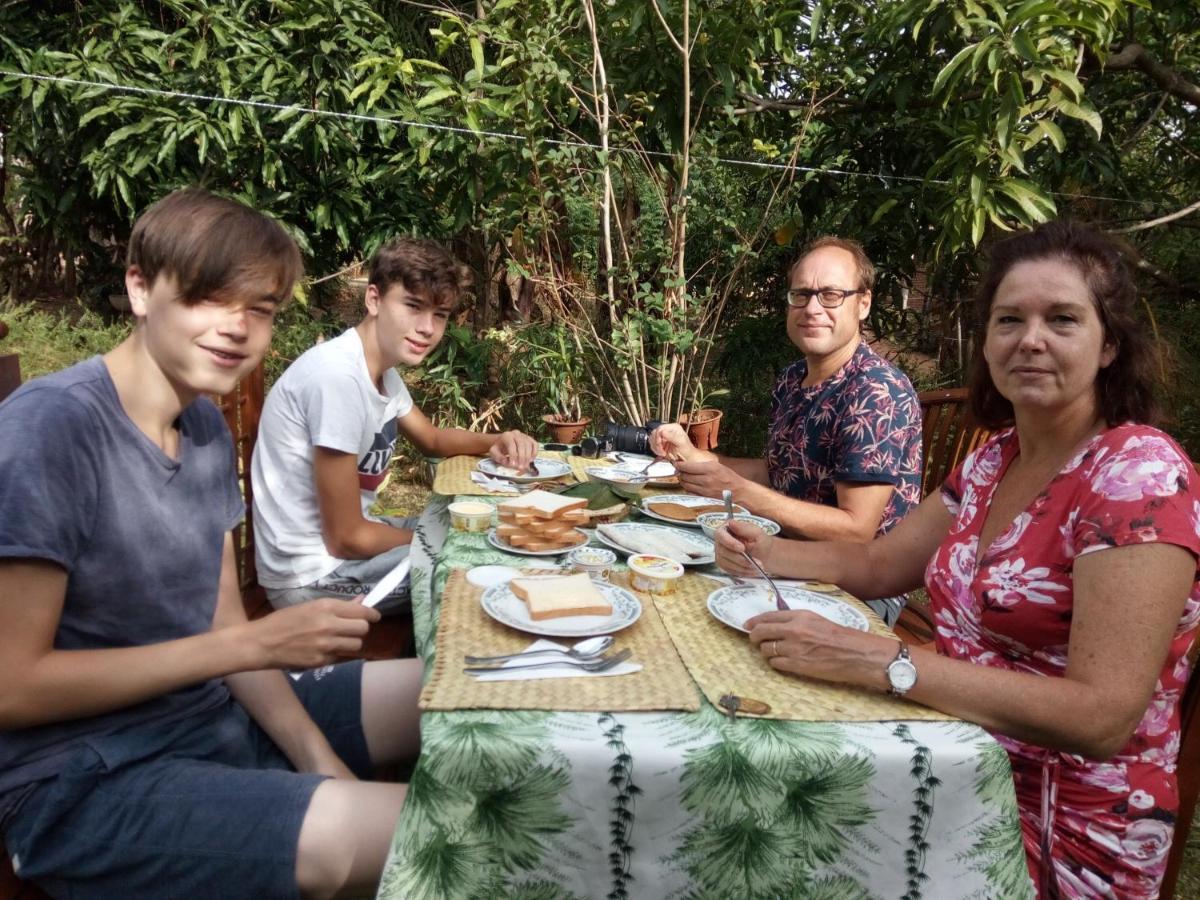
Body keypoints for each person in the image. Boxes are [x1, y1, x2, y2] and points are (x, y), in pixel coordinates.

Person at [715, 221, 1199, 898]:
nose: (1030, 339)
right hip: (943, 760)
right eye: (1009, 319)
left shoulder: (1138, 476)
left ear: (1109, 343)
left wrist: (889, 663)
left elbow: (1102, 716)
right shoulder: (996, 459)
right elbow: (884, 566)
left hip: (1054, 830)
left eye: (1061, 319)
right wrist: (764, 552)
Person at [0, 188, 423, 899]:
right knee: (459, 840)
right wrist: (249, 648)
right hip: (84, 781)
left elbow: (228, 626)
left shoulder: (201, 429)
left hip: (211, 718)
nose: (239, 329)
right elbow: (12, 686)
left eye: (259, 309)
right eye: (208, 299)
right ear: (140, 287)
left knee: (454, 695)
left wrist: (320, 760)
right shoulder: (50, 430)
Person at [251, 237, 538, 612]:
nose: (427, 328)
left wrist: (495, 440)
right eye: (413, 306)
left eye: (440, 315)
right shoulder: (337, 379)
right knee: (484, 569)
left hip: (343, 549)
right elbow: (346, 538)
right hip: (314, 578)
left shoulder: (379, 370)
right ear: (373, 300)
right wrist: (436, 540)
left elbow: (432, 439)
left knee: (483, 525)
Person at [652, 236, 922, 624]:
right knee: (666, 582)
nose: (813, 308)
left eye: (830, 295)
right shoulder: (794, 378)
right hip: (780, 554)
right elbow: (779, 471)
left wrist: (739, 490)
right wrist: (695, 458)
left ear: (863, 304)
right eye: (801, 294)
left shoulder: (875, 392)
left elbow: (856, 531)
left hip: (859, 589)